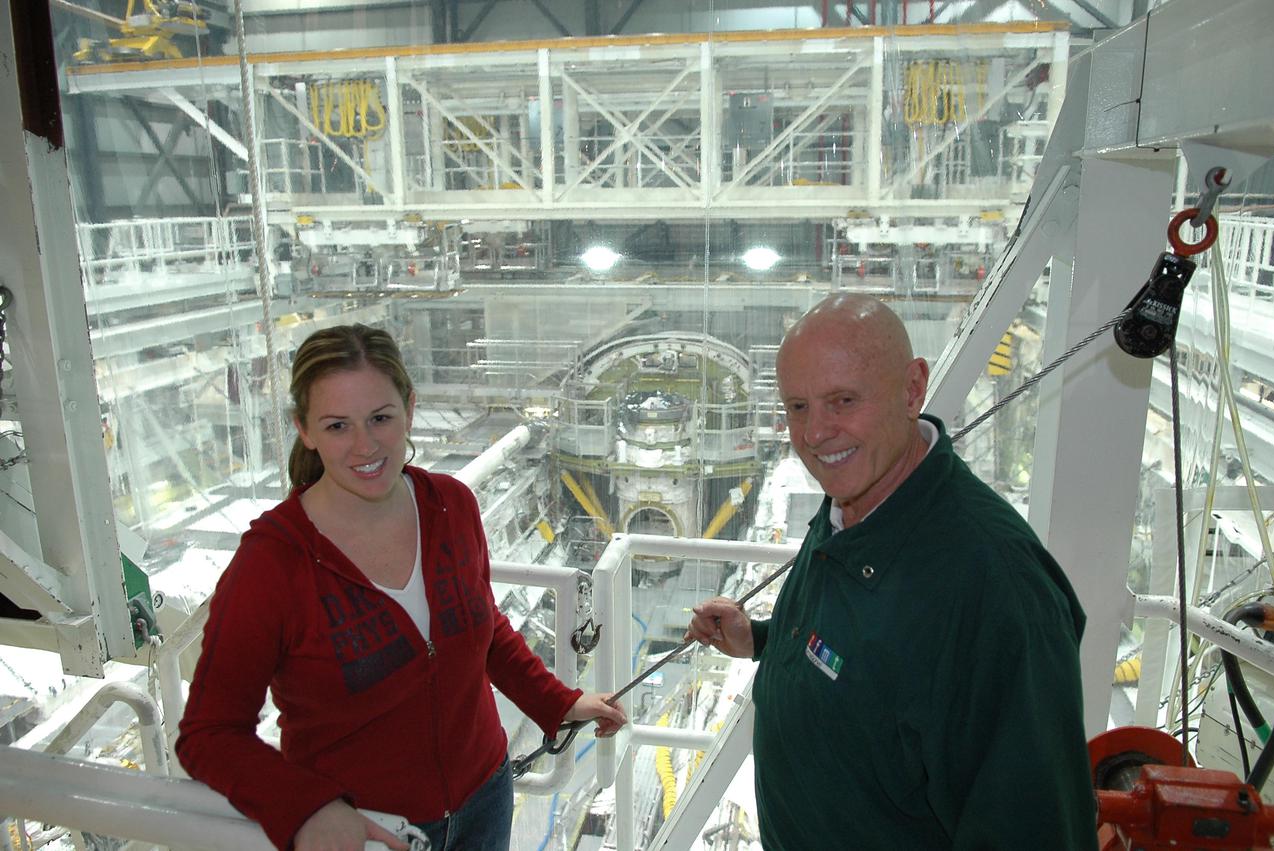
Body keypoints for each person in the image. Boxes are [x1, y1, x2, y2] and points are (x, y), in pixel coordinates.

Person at [178, 324, 626, 851]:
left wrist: (557, 701)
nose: (365, 445)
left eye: (381, 418)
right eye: (338, 425)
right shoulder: (274, 564)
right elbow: (209, 734)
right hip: (369, 830)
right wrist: (303, 807)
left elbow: (482, 626)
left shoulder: (451, 507)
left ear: (409, 410)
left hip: (486, 798)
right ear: (304, 429)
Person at [685, 294, 1095, 850]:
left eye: (843, 400)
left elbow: (1033, 830)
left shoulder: (994, 591)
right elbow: (867, 655)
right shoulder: (856, 503)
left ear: (912, 389)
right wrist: (761, 638)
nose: (814, 433)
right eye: (798, 407)